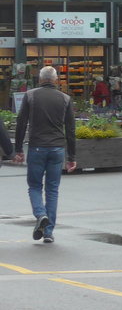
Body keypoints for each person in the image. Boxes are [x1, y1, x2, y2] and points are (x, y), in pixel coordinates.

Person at [13, 66, 77, 244]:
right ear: (55, 80)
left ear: (40, 79)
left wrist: (18, 149)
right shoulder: (65, 98)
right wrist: (71, 157)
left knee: (34, 186)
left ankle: (40, 214)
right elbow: (71, 129)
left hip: (37, 148)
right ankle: (48, 232)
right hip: (57, 149)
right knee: (52, 189)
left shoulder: (31, 95)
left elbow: (21, 122)